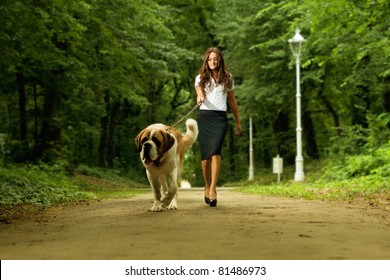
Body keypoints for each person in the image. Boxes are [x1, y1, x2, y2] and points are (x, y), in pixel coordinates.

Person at [195, 47, 242, 207]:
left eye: (215, 59)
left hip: (220, 118)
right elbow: (199, 92)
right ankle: (207, 186)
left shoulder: (228, 77)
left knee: (215, 152)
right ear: (206, 61)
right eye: (209, 59)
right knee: (205, 158)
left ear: (220, 60)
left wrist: (237, 122)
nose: (212, 62)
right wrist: (200, 97)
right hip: (204, 117)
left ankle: (213, 189)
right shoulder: (200, 77)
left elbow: (233, 102)